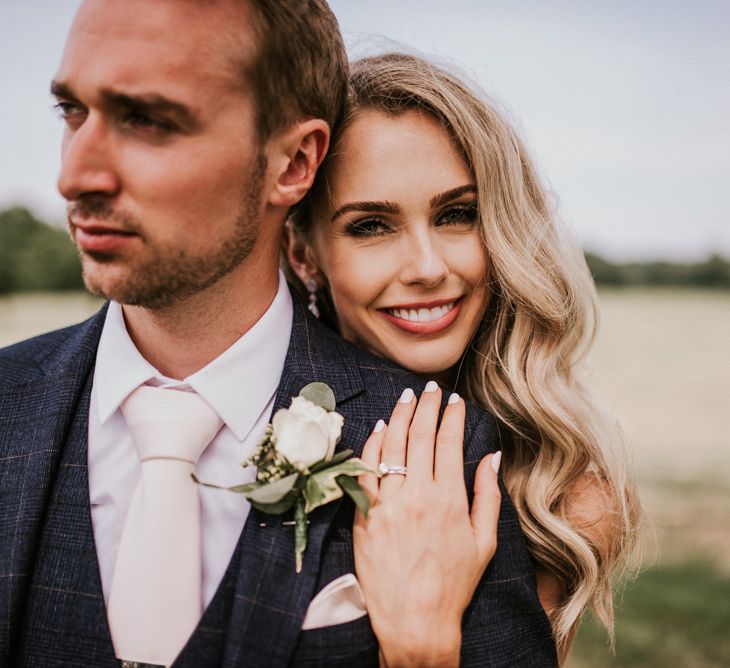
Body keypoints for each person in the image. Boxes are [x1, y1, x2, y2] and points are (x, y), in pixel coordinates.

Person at [0, 2, 556, 667]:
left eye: (149, 120)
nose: (74, 177)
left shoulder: (439, 449)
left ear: (293, 162)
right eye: (73, 113)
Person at [287, 53, 641, 663]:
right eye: (371, 225)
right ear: (304, 253)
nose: (428, 268)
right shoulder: (254, 427)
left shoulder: (560, 492)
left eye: (458, 215)